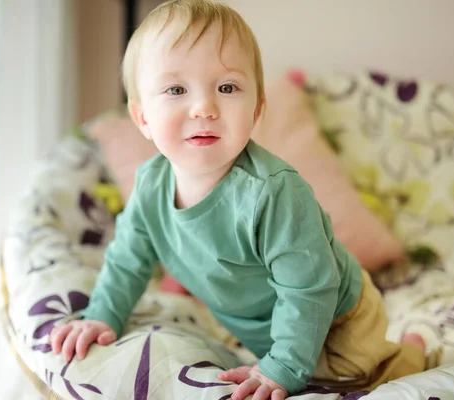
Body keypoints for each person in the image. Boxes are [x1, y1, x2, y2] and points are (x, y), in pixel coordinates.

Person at [49, 1, 428, 398]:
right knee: (297, 366)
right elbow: (127, 260)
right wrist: (102, 315)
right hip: (263, 328)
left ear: (257, 109)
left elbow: (309, 291)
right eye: (176, 89)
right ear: (142, 118)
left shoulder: (274, 192)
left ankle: (413, 353)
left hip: (337, 315)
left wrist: (282, 367)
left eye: (227, 88)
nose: (204, 108)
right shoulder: (149, 187)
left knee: (366, 376)